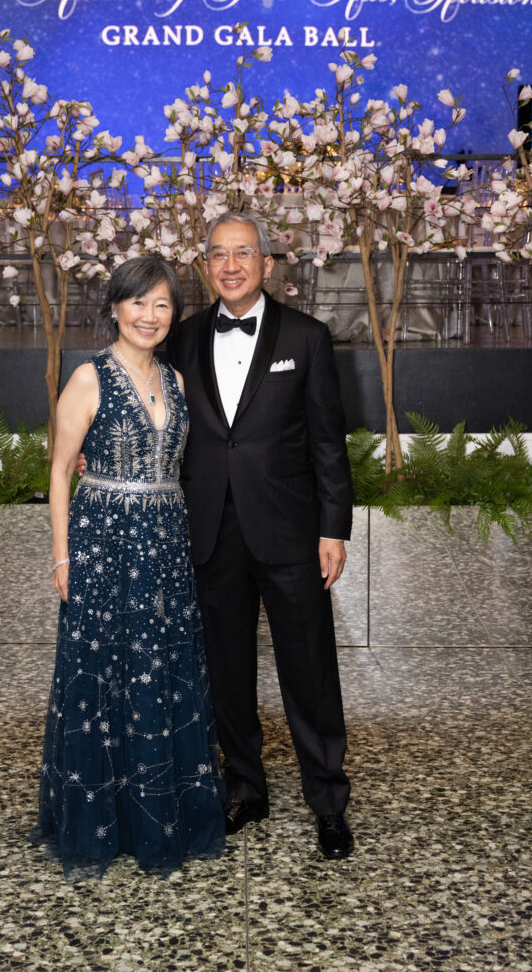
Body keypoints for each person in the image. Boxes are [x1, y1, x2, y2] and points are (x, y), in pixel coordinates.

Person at [30, 256, 225, 879]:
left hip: (164, 542)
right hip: (103, 544)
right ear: (115, 307)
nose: (150, 315)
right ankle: (101, 819)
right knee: (104, 675)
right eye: (138, 302)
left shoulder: (175, 379)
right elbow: (60, 471)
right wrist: (62, 555)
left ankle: (157, 814)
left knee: (159, 670)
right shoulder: (89, 377)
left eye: (162, 304)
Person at [168, 211, 355, 859]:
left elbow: (328, 442)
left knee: (310, 671)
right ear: (205, 266)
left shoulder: (308, 337)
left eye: (243, 253)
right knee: (226, 670)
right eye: (218, 254)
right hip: (210, 530)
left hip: (290, 533)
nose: (230, 265)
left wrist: (333, 528)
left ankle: (328, 803)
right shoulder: (181, 339)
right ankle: (245, 787)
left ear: (266, 264)